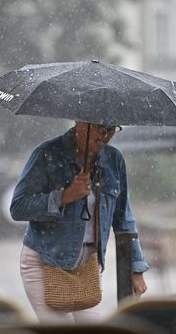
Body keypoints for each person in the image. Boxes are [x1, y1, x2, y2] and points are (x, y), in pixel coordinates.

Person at [10, 121, 149, 323]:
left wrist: (136, 268)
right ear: (79, 122)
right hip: (46, 264)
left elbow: (123, 218)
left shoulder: (114, 159)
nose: (106, 135)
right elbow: (18, 207)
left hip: (88, 267)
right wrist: (64, 196)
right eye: (100, 128)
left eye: (112, 129)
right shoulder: (47, 154)